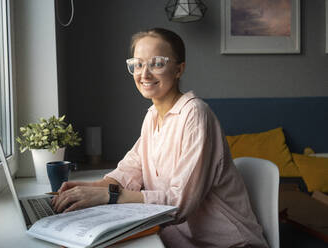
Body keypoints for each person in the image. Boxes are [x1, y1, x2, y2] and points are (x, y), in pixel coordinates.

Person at [52, 27, 269, 248]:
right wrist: (88, 189)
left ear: (178, 69)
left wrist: (108, 195)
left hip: (229, 243)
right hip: (178, 240)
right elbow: (129, 171)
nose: (144, 74)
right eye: (137, 64)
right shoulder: (152, 116)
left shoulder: (195, 114)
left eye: (156, 63)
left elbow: (179, 203)